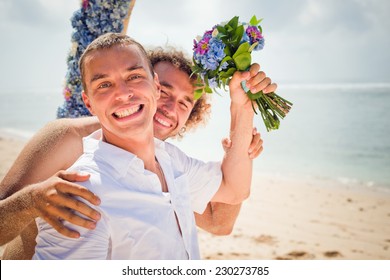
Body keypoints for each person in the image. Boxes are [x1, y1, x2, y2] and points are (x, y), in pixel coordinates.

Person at [0, 38, 276, 259]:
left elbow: (220, 220)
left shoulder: (168, 162)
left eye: (184, 103)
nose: (169, 109)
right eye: (167, 93)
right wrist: (32, 201)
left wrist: (240, 132)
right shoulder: (69, 140)